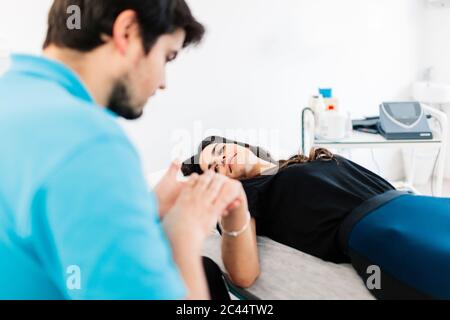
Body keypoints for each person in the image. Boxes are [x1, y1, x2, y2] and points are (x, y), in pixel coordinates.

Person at [0, 0, 245, 300]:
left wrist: (142, 211)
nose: (163, 82)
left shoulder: (11, 96)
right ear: (127, 31)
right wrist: (184, 234)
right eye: (167, 57)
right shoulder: (90, 142)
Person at [182, 136, 450, 299]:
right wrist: (228, 202)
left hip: (413, 204)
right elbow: (243, 274)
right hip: (378, 231)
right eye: (213, 168)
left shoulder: (299, 161)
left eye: (220, 150)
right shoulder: (245, 193)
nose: (222, 160)